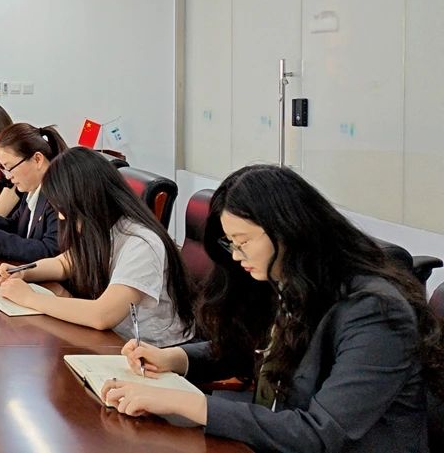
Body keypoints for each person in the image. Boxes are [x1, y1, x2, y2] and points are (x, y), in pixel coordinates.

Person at [100, 164, 444, 452]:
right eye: (231, 243)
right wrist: (176, 358)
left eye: (243, 242)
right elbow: (257, 349)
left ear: (288, 230)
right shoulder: (295, 279)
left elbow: (320, 433)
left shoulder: (375, 313)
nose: (236, 255)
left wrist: (187, 403)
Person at [0, 147, 193, 347]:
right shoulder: (103, 227)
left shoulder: (141, 242)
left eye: (62, 207)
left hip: (153, 351)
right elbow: (64, 263)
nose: (61, 216)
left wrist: (29, 298)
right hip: (115, 340)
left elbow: (102, 315)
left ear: (84, 199)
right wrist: (23, 272)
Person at [0, 123, 68, 262]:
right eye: (4, 169)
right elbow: (15, 225)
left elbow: (50, 251)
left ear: (37, 159)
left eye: (10, 168)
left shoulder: (59, 195)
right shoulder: (33, 189)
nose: (8, 176)